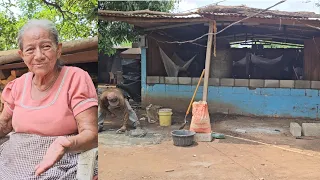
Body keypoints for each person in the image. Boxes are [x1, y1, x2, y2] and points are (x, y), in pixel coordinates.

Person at [0, 19, 98, 180]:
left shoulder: (75, 78)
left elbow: (91, 135)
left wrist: (65, 144)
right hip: (13, 158)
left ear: (58, 50)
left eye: (45, 46)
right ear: (22, 55)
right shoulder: (17, 85)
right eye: (30, 49)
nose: (38, 56)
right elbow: (3, 126)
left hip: (61, 159)